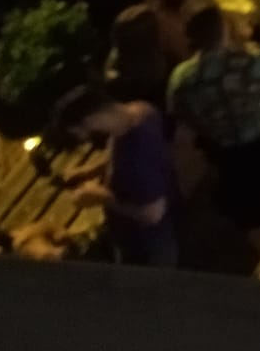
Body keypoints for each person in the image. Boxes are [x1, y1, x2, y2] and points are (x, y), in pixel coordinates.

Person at [166, 0, 260, 242]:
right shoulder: (254, 64)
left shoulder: (179, 80)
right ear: (223, 28)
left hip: (232, 168)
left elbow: (184, 131)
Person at [50, 85, 178, 267]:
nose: (83, 139)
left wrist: (100, 197)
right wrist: (91, 170)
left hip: (149, 244)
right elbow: (122, 156)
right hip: (143, 230)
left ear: (90, 120)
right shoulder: (138, 110)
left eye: (81, 132)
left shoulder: (137, 153)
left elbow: (153, 214)